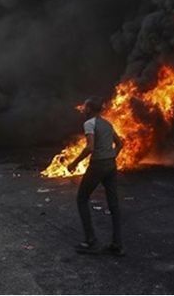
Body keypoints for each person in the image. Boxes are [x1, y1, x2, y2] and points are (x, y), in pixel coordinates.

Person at [67, 96, 124, 256]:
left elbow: (90, 147)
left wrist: (74, 163)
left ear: (90, 109)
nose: (83, 109)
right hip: (111, 165)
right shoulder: (107, 123)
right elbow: (120, 143)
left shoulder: (89, 123)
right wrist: (112, 155)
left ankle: (90, 241)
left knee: (82, 199)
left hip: (98, 165)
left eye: (85, 107)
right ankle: (117, 244)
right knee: (113, 204)